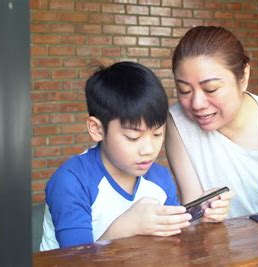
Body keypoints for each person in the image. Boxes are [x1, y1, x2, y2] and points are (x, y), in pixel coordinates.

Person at [40, 61, 192, 251]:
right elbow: (77, 262)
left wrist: (200, 219)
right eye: (133, 137)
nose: (148, 149)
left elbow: (174, 245)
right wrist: (126, 227)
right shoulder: (71, 181)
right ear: (97, 129)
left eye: (157, 134)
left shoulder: (160, 179)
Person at [166, 26, 258, 219]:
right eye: (184, 90)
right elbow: (193, 212)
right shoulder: (179, 122)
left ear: (243, 77)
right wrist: (202, 211)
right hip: (221, 246)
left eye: (211, 89)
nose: (197, 104)